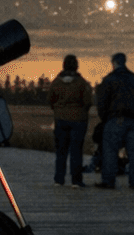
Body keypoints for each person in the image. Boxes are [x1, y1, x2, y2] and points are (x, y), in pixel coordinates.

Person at [94, 52, 134, 190]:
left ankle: (108, 181)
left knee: (110, 151)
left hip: (115, 120)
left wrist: (105, 120)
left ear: (114, 63)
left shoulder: (109, 79)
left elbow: (101, 103)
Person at [47, 54, 93, 187]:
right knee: (76, 151)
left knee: (61, 151)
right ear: (76, 66)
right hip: (78, 120)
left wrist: (58, 110)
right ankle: (76, 181)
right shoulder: (81, 83)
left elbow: (50, 100)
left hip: (60, 120)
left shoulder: (56, 82)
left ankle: (58, 180)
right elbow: (88, 101)